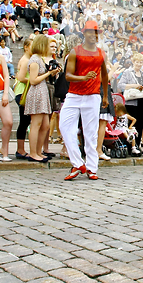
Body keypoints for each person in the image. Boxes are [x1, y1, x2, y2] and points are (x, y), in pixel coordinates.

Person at [59, 21, 109, 181]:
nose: (93, 36)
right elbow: (68, 75)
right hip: (74, 94)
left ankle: (92, 168)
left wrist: (106, 96)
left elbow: (105, 75)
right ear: (84, 34)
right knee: (64, 126)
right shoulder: (75, 52)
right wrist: (83, 77)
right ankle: (78, 163)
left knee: (91, 134)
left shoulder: (101, 53)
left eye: (96, 33)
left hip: (93, 96)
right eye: (90, 32)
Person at [25, 35, 61, 162]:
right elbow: (33, 80)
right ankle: (33, 152)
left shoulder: (40, 59)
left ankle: (38, 151)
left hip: (43, 91)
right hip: (37, 92)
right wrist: (48, 73)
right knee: (36, 124)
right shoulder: (34, 59)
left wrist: (53, 73)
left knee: (45, 125)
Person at [118, 53, 143, 148]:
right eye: (137, 62)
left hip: (141, 101)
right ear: (133, 62)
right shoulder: (128, 72)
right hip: (131, 102)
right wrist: (134, 86)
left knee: (139, 124)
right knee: (131, 124)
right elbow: (120, 85)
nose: (139, 64)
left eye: (141, 62)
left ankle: (137, 145)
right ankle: (130, 145)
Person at [14, 38, 32, 159]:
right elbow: (21, 77)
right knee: (24, 122)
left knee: (25, 122)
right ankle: (20, 149)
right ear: (26, 47)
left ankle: (21, 149)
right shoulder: (25, 60)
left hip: (24, 91)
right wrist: (34, 79)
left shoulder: (27, 60)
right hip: (22, 92)